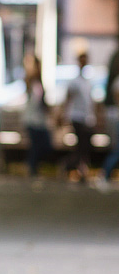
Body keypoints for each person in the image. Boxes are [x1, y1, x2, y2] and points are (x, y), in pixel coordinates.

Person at [56, 50, 96, 183]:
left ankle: (77, 167)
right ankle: (73, 166)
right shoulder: (75, 81)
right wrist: (62, 114)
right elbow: (68, 98)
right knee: (81, 144)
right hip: (76, 117)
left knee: (84, 145)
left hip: (86, 117)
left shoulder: (87, 81)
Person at [22, 54, 52, 178]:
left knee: (44, 145)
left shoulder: (39, 82)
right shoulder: (30, 81)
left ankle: (33, 166)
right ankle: (32, 167)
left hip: (39, 120)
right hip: (32, 120)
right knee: (37, 145)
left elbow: (42, 102)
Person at [95, 47, 119, 191]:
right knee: (117, 150)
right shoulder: (117, 81)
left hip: (114, 118)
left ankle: (105, 174)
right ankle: (104, 174)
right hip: (116, 119)